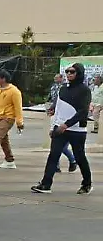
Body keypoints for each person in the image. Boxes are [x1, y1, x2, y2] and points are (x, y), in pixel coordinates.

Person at [33, 62, 92, 195]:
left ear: (79, 73)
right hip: (59, 128)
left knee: (80, 156)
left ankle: (86, 184)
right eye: (67, 71)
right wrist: (54, 125)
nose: (69, 74)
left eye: (72, 72)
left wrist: (67, 124)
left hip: (77, 130)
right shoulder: (63, 88)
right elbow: (58, 108)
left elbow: (83, 112)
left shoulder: (84, 90)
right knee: (53, 155)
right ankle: (46, 184)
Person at [47, 72, 78, 173]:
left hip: (70, 123)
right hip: (59, 120)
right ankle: (57, 166)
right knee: (57, 146)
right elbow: (56, 100)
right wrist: (52, 108)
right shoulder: (59, 88)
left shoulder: (69, 89)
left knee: (61, 147)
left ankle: (72, 160)